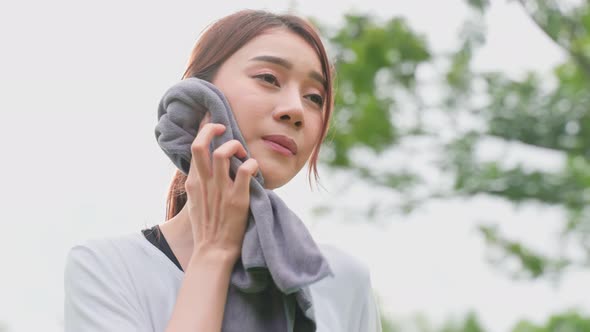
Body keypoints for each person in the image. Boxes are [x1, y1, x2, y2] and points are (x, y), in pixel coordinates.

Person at [64, 9, 383, 332]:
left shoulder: (341, 281)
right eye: (268, 78)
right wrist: (213, 252)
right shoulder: (107, 268)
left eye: (314, 97)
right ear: (198, 98)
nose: (296, 110)